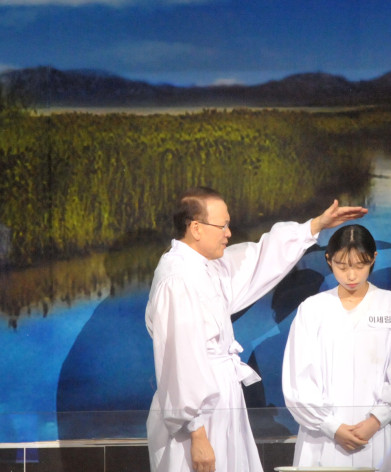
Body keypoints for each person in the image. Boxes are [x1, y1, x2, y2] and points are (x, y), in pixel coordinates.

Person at [145, 187, 368, 472]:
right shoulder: (178, 279)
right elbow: (179, 362)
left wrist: (314, 226)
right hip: (196, 418)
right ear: (196, 228)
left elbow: (257, 258)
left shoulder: (206, 266)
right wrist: (197, 433)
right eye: (223, 226)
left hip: (219, 402)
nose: (228, 233)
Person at [282, 224, 391, 472]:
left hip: (379, 434)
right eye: (342, 266)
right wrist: (331, 426)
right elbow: (299, 378)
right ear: (328, 260)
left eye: (360, 266)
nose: (351, 275)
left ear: (373, 259)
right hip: (323, 438)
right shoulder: (312, 310)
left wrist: (376, 420)